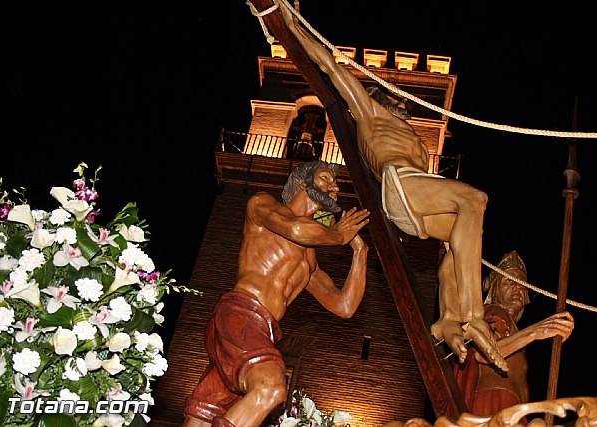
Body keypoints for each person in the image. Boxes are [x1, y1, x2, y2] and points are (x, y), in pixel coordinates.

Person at [278, 3, 506, 370]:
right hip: (400, 184)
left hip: (416, 198)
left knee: (460, 241)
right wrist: (290, 27)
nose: (403, 103)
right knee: (475, 199)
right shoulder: (370, 112)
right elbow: (331, 66)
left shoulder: (414, 137)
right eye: (396, 97)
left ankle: (448, 317)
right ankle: (474, 316)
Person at [182, 160, 370, 427]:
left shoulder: (309, 259)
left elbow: (344, 306)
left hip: (262, 330)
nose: (335, 187)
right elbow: (295, 229)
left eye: (334, 182)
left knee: (204, 413)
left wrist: (360, 254)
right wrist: (337, 236)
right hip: (240, 315)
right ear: (303, 183)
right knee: (270, 386)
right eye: (326, 178)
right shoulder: (262, 206)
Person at [453, 250, 575, 419]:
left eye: (521, 283)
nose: (517, 286)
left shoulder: (511, 326)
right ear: (495, 286)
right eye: (509, 280)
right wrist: (535, 332)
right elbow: (485, 353)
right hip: (496, 401)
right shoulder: (496, 311)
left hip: (513, 407)